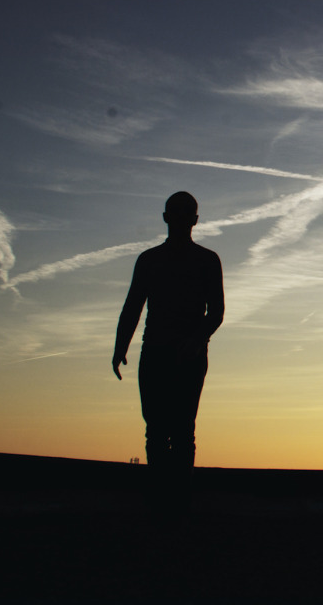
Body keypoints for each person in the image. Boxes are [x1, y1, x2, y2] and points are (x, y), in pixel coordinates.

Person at [113, 191, 224, 498]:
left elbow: (216, 312)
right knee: (161, 430)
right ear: (167, 218)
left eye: (183, 214)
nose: (179, 220)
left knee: (179, 430)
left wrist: (196, 340)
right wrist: (120, 346)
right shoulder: (151, 260)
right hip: (157, 352)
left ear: (194, 220)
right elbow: (133, 306)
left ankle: (175, 498)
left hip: (183, 355)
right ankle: (164, 497)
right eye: (176, 213)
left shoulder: (206, 261)